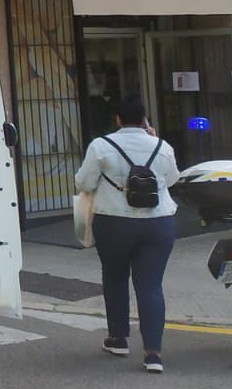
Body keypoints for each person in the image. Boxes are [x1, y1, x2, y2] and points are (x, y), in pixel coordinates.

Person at [74, 97, 180, 373]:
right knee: (150, 286)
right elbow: (171, 180)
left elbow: (83, 182)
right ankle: (153, 354)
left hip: (114, 223)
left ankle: (118, 338)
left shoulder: (101, 145)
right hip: (158, 223)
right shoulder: (162, 146)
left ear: (117, 119)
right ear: (145, 120)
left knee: (115, 277)